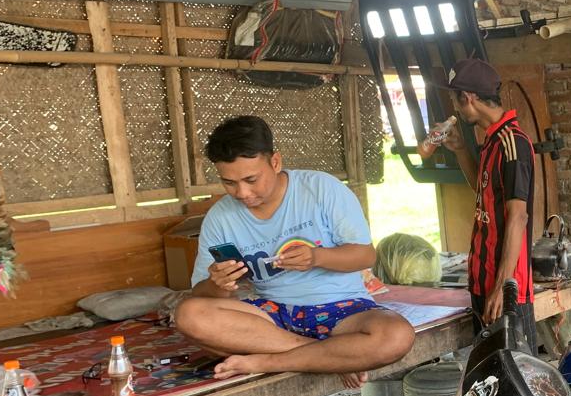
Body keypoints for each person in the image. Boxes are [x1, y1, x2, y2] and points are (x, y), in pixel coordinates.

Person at [175, 116, 414, 380]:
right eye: (229, 183)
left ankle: (267, 361)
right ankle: (333, 356)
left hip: (344, 311)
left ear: (275, 162)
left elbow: (365, 255)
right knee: (189, 315)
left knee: (396, 336)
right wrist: (217, 283)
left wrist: (316, 257)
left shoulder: (321, 189)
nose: (242, 192)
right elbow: (200, 294)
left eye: (251, 179)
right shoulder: (220, 218)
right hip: (271, 317)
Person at [437, 58, 538, 350]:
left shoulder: (513, 144)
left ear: (468, 98)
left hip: (507, 290)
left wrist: (502, 287)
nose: (455, 109)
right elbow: (481, 190)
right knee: (489, 370)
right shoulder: (492, 141)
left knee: (519, 372)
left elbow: (518, 217)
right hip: (483, 282)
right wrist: (460, 149)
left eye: (455, 100)